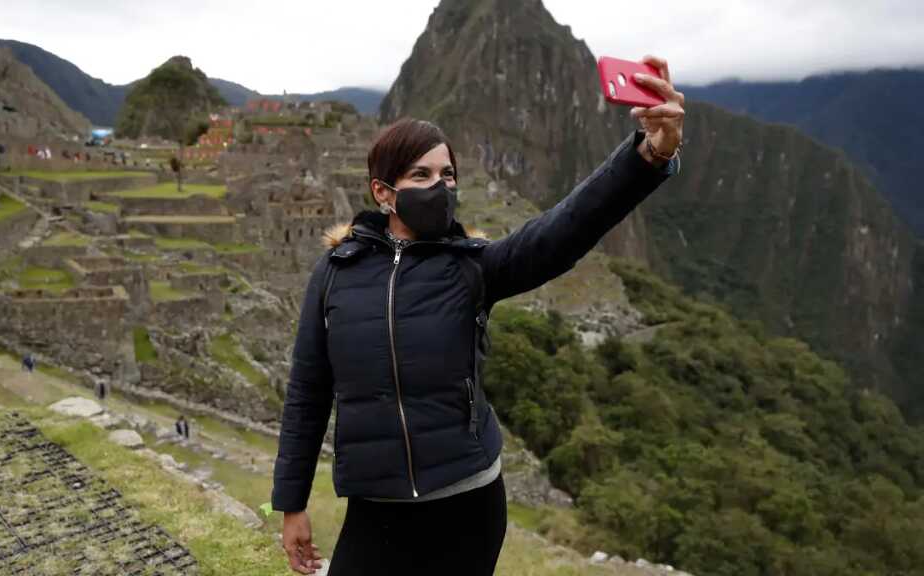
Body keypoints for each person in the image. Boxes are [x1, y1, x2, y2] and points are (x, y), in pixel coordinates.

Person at [271, 56, 685, 576]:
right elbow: (308, 392)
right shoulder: (335, 275)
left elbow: (567, 229)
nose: (439, 187)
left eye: (448, 175)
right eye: (420, 175)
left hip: (467, 501)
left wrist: (648, 154)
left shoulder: (471, 268)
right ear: (382, 192)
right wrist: (291, 504)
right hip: (375, 507)